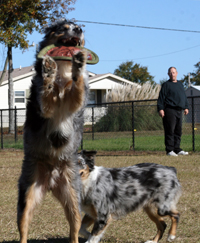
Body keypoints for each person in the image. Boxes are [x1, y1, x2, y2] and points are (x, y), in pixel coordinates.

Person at [157, 67, 189, 156]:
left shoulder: (180, 84)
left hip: (179, 110)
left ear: (177, 73)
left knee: (178, 131)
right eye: (170, 73)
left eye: (174, 72)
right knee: (170, 130)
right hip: (169, 110)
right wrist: (160, 109)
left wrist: (186, 107)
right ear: (168, 74)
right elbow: (161, 98)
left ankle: (177, 149)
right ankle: (170, 150)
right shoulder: (166, 85)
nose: (172, 74)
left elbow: (183, 97)